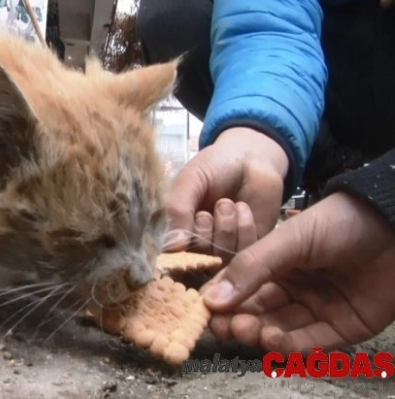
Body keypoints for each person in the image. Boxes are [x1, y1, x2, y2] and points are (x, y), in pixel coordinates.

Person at [137, 0, 395, 354]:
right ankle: (330, 166)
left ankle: (370, 165)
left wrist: (384, 197)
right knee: (177, 13)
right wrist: (255, 138)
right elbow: (270, 18)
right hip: (330, 59)